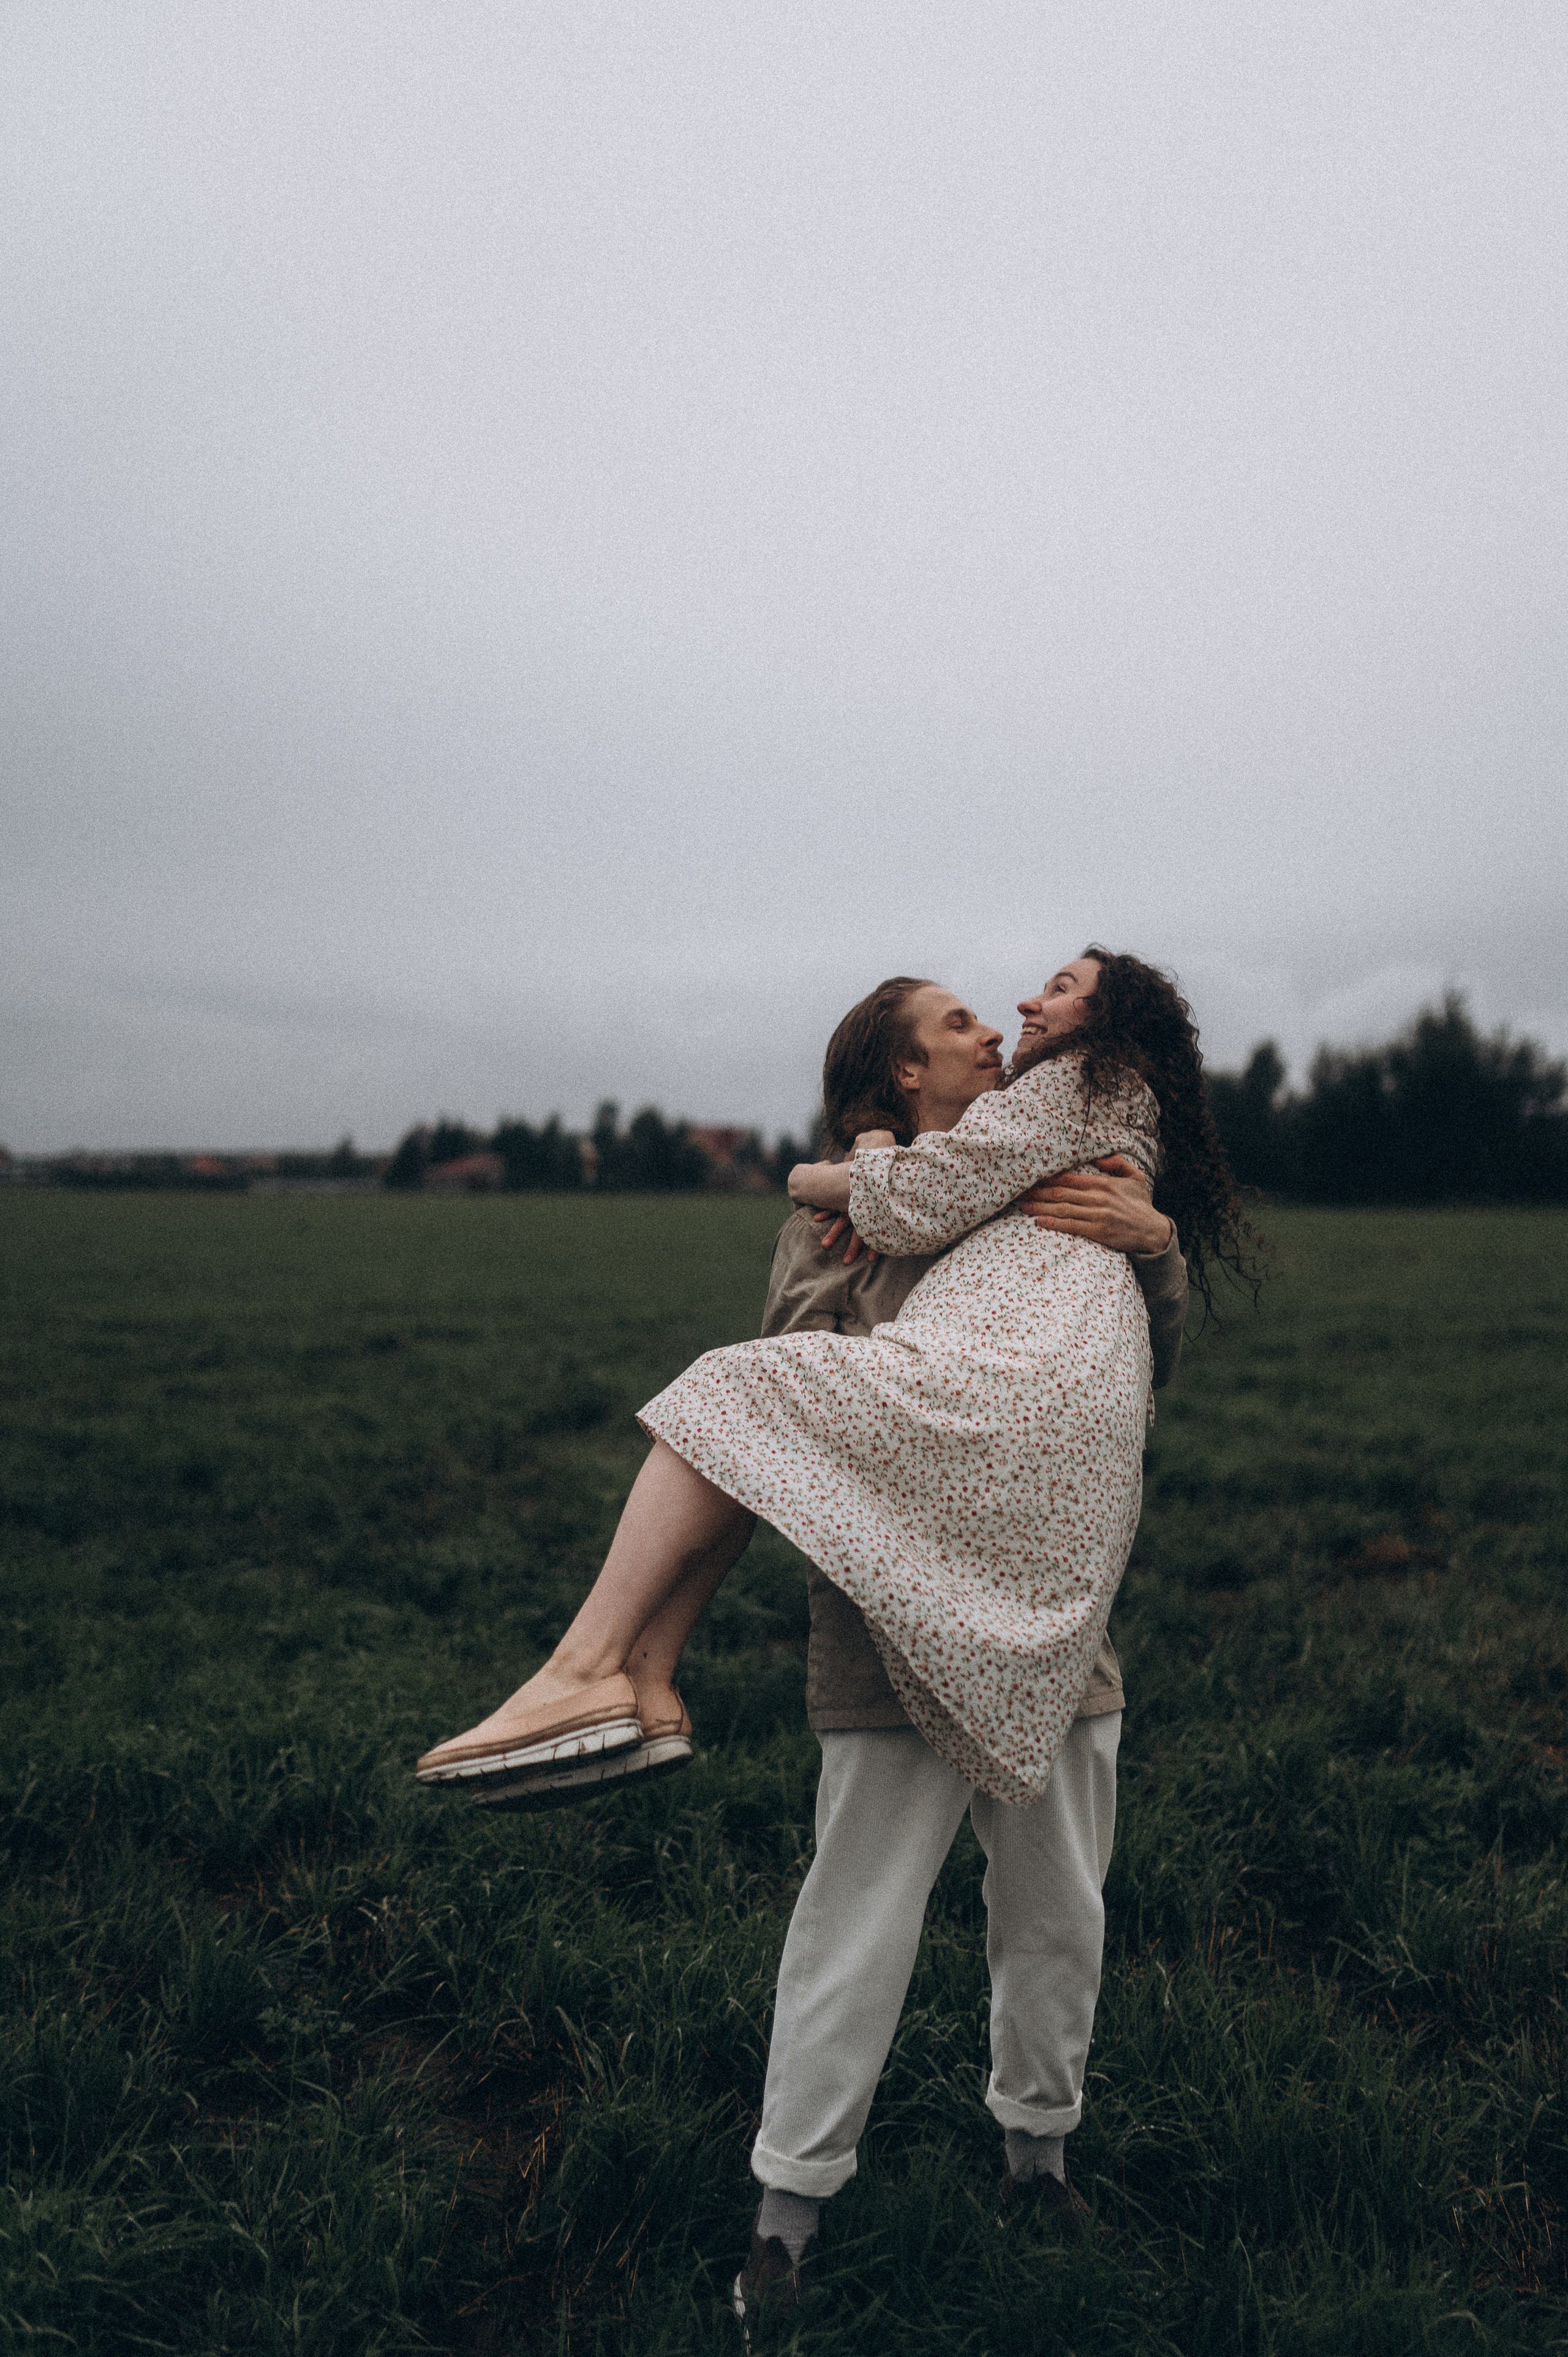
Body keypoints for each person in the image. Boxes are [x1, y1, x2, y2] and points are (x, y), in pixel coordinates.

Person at [415, 950, 1254, 2306]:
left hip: (1057, 1623)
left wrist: (1149, 1245)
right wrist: (855, 1217)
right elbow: (797, 1386)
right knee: (852, 1922)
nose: (994, 1029)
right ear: (902, 1078)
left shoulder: (1055, 1165)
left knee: (1056, 1916)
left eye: (998, 1013)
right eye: (955, 1025)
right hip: (882, 1633)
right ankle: (785, 2218)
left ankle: (1037, 2162)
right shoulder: (851, 1215)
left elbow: (1128, 1363)